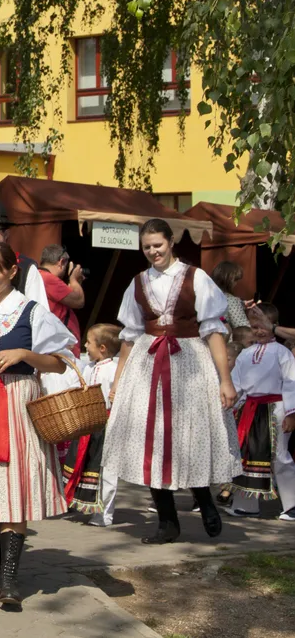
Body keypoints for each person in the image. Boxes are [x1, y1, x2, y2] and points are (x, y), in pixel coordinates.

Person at [102, 219, 240, 545]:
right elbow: (130, 336)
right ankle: (167, 522)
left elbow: (214, 331)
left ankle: (205, 501)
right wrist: (118, 380)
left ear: (171, 241)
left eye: (158, 245)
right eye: (147, 247)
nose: (153, 252)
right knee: (150, 440)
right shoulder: (138, 282)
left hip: (189, 363)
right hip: (147, 364)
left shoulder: (196, 278)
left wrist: (225, 380)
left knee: (187, 436)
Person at [0, 241, 76, 611]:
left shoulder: (30, 311)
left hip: (16, 403)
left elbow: (61, 362)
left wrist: (25, 355)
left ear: (13, 272)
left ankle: (10, 578)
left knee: (12, 487)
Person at [225, 304, 295, 520]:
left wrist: (291, 413)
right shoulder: (246, 354)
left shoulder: (282, 353)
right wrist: (230, 404)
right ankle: (246, 505)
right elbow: (236, 383)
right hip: (250, 410)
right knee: (247, 455)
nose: (258, 331)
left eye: (262, 326)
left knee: (280, 456)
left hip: (277, 408)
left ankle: (292, 505)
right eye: (254, 327)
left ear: (272, 325)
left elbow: (291, 382)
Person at [63, 324, 121, 527]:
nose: (85, 345)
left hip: (109, 424)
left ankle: (105, 513)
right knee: (86, 465)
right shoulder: (89, 367)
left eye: (88, 342)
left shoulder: (115, 370)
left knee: (106, 470)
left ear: (102, 347)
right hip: (89, 424)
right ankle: (83, 503)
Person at [38, 244, 85, 348]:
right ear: (61, 262)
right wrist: (73, 279)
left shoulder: (39, 276)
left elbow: (68, 298)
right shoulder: (49, 279)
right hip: (60, 346)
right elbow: (78, 301)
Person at [211, 261, 251, 332]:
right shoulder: (231, 300)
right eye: (236, 280)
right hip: (224, 341)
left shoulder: (207, 295)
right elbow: (242, 327)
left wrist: (242, 305)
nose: (236, 283)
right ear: (229, 280)